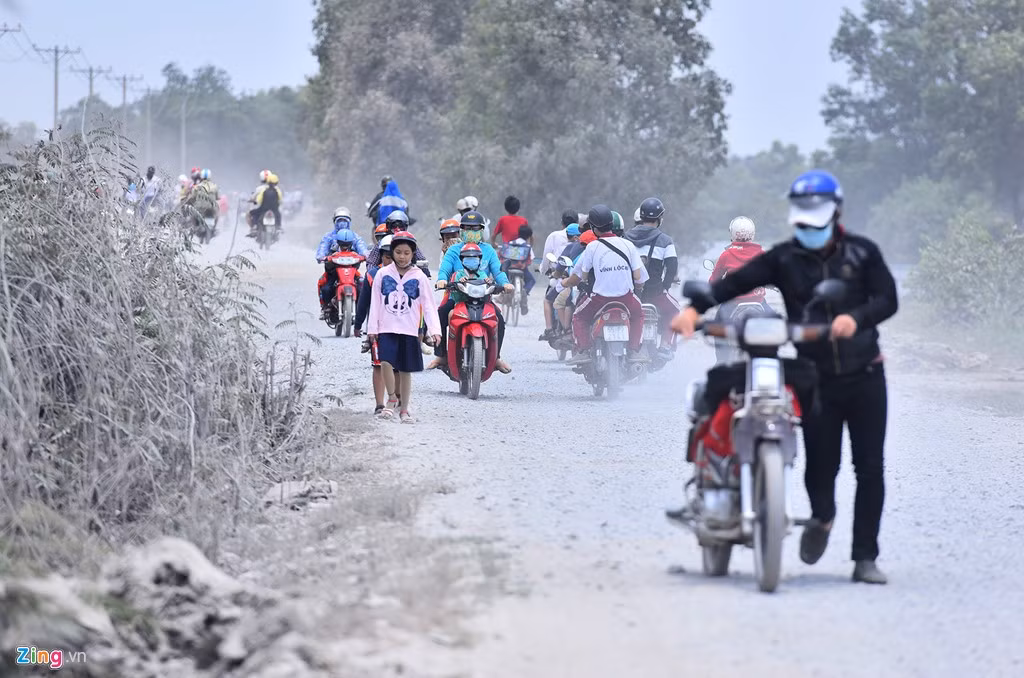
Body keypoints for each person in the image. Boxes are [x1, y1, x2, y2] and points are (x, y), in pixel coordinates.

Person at [669, 170, 899, 585]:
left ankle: (865, 558)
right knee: (822, 465)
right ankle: (822, 519)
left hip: (866, 374)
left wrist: (856, 318)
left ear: (835, 210)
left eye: (817, 207)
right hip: (815, 377)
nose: (809, 217)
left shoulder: (862, 253)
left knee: (870, 467)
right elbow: (734, 283)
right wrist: (692, 310)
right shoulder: (784, 258)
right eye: (802, 208)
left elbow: (888, 299)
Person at [367, 230, 441, 424]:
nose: (402, 256)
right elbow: (375, 303)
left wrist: (435, 330)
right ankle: (392, 398)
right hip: (386, 327)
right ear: (392, 252)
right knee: (385, 362)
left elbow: (429, 305)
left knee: (405, 369)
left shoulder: (420, 277)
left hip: (409, 329)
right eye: (398, 252)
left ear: (413, 254)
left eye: (406, 253)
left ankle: (405, 409)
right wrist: (372, 329)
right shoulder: (382, 274)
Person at [559, 205, 648, 364]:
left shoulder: (592, 247)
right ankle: (634, 350)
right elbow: (639, 278)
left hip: (599, 300)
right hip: (626, 298)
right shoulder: (628, 245)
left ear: (593, 227)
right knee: (639, 314)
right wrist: (638, 289)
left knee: (579, 316)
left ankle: (584, 350)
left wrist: (565, 282)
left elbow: (581, 276)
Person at [429, 210, 514, 374]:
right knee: (441, 314)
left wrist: (505, 284)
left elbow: (498, 271)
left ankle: (496, 358)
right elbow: (445, 269)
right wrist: (442, 280)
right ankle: (441, 355)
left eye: (475, 228)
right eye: (467, 228)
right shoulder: (454, 250)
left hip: (483, 297)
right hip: (458, 296)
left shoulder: (489, 250)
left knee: (499, 321)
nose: (471, 232)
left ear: (482, 230)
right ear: (461, 230)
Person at [707, 216, 772, 361]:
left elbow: (714, 280)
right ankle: (771, 358)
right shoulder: (761, 253)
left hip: (732, 303)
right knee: (775, 325)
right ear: (752, 234)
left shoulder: (726, 255)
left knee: (717, 329)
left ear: (732, 234)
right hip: (758, 302)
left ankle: (721, 362)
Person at [624, 197, 680, 360]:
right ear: (660, 218)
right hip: (654, 293)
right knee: (675, 310)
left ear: (641, 216)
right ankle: (664, 346)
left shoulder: (625, 237)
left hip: (630, 294)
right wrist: (665, 287)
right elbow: (672, 267)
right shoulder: (665, 240)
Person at [356, 235, 393, 415]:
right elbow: (363, 303)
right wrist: (358, 324)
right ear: (381, 257)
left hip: (402, 328)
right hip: (378, 328)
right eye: (387, 257)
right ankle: (380, 404)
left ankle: (397, 400)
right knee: (378, 365)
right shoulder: (372, 276)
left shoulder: (410, 275)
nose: (391, 261)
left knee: (399, 367)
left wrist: (421, 329)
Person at [538, 209, 576, 339]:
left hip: (562, 277)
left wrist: (543, 270)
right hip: (578, 278)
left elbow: (546, 257)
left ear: (562, 222)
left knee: (548, 300)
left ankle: (549, 329)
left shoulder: (554, 236)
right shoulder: (582, 239)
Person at [317, 228, 364, 319]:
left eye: (347, 244)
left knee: (362, 284)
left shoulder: (354, 251)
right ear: (338, 242)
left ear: (351, 243)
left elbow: (360, 260)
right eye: (342, 244)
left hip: (352, 273)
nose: (344, 246)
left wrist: (362, 257)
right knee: (325, 287)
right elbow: (327, 266)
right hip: (335, 273)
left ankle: (361, 306)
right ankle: (325, 307)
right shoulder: (333, 250)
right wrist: (328, 259)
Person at [499, 223, 536, 315]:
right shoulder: (527, 246)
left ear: (518, 233)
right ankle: (525, 293)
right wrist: (524, 264)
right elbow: (530, 259)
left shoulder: (510, 244)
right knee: (531, 280)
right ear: (528, 236)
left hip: (509, 268)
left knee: (503, 279)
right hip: (521, 269)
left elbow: (502, 255)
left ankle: (503, 294)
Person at [247, 170, 282, 237]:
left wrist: (254, 201)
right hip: (275, 210)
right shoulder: (277, 189)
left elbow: (258, 200)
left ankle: (254, 227)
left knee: (252, 214)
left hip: (263, 209)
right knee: (279, 215)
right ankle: (279, 227)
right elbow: (280, 200)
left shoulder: (261, 189)